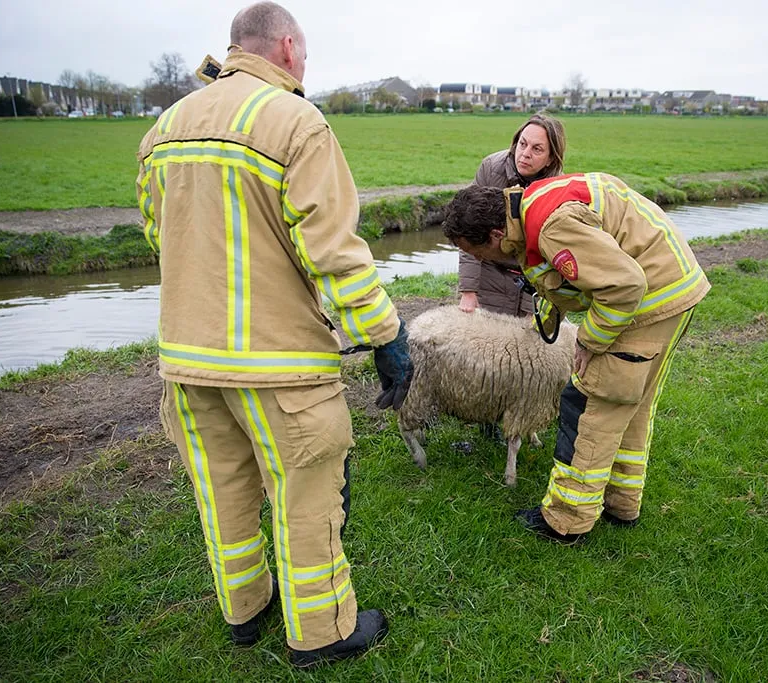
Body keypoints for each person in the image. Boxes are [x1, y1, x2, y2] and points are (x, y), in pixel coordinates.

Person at [135, 2, 412, 667]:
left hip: (186, 360)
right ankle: (321, 632)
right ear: (287, 48)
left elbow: (159, 235)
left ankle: (245, 609)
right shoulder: (295, 121)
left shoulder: (163, 129)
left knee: (223, 491)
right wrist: (384, 335)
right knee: (308, 494)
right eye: (306, 57)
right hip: (279, 365)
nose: (305, 67)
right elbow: (334, 250)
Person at [442, 172, 710, 544]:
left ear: (495, 237)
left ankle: (566, 521)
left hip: (645, 304)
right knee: (629, 405)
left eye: (476, 253)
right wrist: (549, 317)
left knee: (591, 408)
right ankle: (621, 503)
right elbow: (568, 275)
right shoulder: (530, 206)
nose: (480, 261)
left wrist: (589, 341)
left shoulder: (552, 228)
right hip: (673, 294)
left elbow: (625, 285)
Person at [458, 113, 566, 317]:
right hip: (491, 274)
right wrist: (469, 291)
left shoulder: (559, 189)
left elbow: (554, 255)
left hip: (535, 279)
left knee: (530, 345)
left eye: (537, 149)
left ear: (551, 158)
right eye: (522, 144)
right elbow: (469, 229)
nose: (525, 154)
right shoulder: (491, 169)